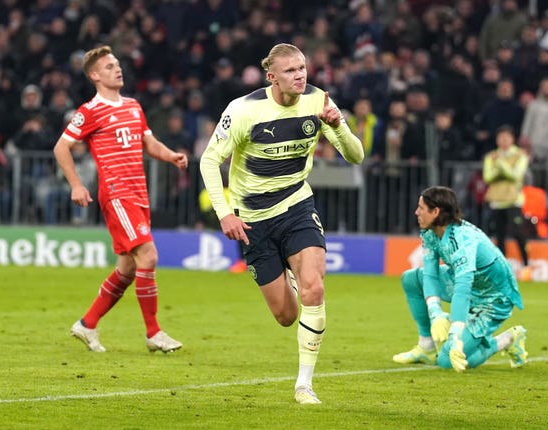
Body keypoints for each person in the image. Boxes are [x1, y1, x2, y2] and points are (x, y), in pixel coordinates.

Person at [199, 43, 364, 404]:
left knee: (314, 289)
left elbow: (356, 156)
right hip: (253, 220)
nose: (300, 75)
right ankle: (288, 274)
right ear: (271, 76)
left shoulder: (319, 102)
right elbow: (210, 161)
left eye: (303, 68)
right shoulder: (243, 110)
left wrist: (339, 127)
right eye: (290, 71)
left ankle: (304, 384)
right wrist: (224, 212)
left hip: (296, 206)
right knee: (286, 315)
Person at [53, 45, 188, 353]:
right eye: (110, 66)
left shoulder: (134, 106)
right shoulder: (89, 112)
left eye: (118, 64)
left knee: (128, 268)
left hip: (139, 194)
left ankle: (86, 325)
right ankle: (154, 333)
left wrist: (171, 156)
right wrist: (76, 184)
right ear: (95, 75)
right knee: (149, 256)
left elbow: (149, 143)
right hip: (117, 194)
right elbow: (61, 148)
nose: (118, 69)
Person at [392, 186, 527, 372]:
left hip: (493, 299)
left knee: (447, 362)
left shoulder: (462, 240)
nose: (416, 212)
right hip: (466, 284)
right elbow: (430, 274)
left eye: (421, 208)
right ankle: (426, 347)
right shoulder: (430, 232)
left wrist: (455, 333)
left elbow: (462, 289)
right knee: (411, 279)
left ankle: (507, 340)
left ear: (436, 211)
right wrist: (436, 312)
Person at [483, 125, 530, 277]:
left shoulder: (520, 155)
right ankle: (503, 270)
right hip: (496, 200)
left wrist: (501, 164)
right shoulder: (490, 156)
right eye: (501, 137)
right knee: (499, 235)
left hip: (514, 200)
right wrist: (505, 171)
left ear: (512, 139)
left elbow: (516, 175)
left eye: (506, 137)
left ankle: (526, 265)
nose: (503, 140)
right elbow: (488, 177)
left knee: (518, 232)